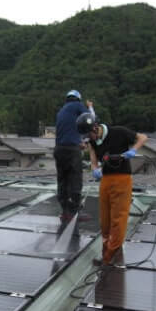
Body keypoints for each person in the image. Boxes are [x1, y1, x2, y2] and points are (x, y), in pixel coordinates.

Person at [76, 112, 148, 265]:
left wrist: (133, 150)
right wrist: (94, 169)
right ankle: (105, 253)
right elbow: (94, 160)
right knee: (105, 221)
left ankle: (111, 256)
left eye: (89, 134)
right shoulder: (93, 142)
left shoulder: (119, 132)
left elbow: (142, 137)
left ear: (95, 127)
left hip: (122, 179)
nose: (88, 138)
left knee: (118, 219)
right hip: (106, 181)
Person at [54, 90, 95, 222]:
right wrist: (90, 107)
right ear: (78, 99)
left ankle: (65, 212)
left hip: (59, 149)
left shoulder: (61, 111)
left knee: (63, 181)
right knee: (75, 180)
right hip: (72, 151)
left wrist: (79, 141)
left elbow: (69, 129)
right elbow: (90, 120)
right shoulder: (77, 106)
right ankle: (75, 212)